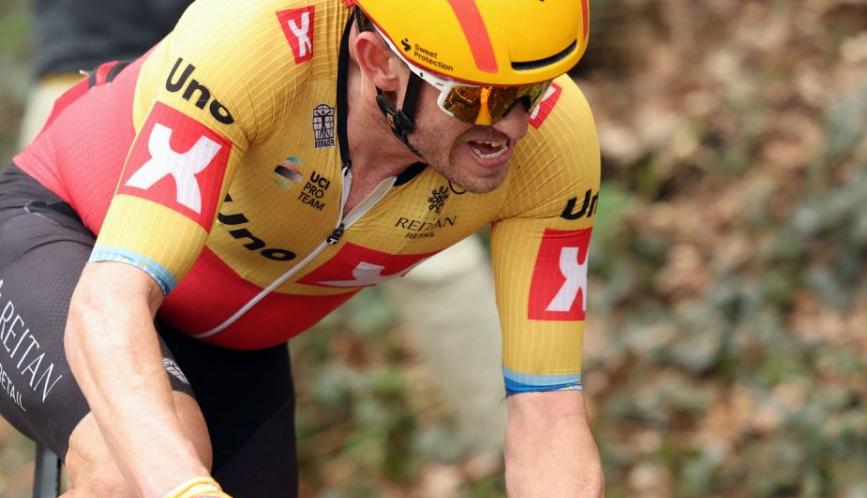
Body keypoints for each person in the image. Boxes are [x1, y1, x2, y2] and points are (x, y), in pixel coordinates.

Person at [0, 1, 642, 498]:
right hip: (65, 242)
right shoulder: (255, 41)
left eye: (530, 92)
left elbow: (548, 403)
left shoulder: (554, 150)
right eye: (474, 100)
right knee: (131, 490)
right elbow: (110, 300)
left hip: (234, 347)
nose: (512, 127)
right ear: (379, 62)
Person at [20, 0, 505, 461]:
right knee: (99, 448)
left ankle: (506, 459)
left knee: (433, 260)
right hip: (104, 64)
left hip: (270, 59)